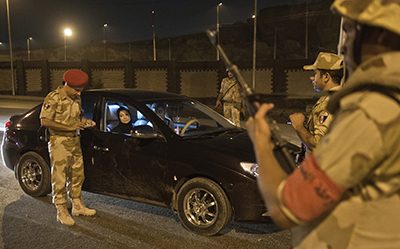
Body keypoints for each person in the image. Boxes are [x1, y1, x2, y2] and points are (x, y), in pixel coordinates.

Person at [246, 0, 400, 248]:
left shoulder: (371, 110)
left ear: (381, 34)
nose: (344, 45)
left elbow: (287, 208)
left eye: (349, 31)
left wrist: (261, 142)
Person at [40, 69, 97, 226]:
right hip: (59, 142)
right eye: (77, 90)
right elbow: (44, 121)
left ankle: (77, 205)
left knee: (78, 174)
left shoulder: (75, 98)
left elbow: (78, 116)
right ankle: (61, 210)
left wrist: (86, 121)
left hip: (74, 141)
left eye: (80, 91)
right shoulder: (54, 97)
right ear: (67, 85)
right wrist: (70, 127)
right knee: (59, 177)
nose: (79, 94)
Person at [289, 52, 343, 154]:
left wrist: (299, 126)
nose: (312, 78)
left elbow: (317, 145)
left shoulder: (329, 104)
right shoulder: (336, 97)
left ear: (326, 77)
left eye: (315, 73)